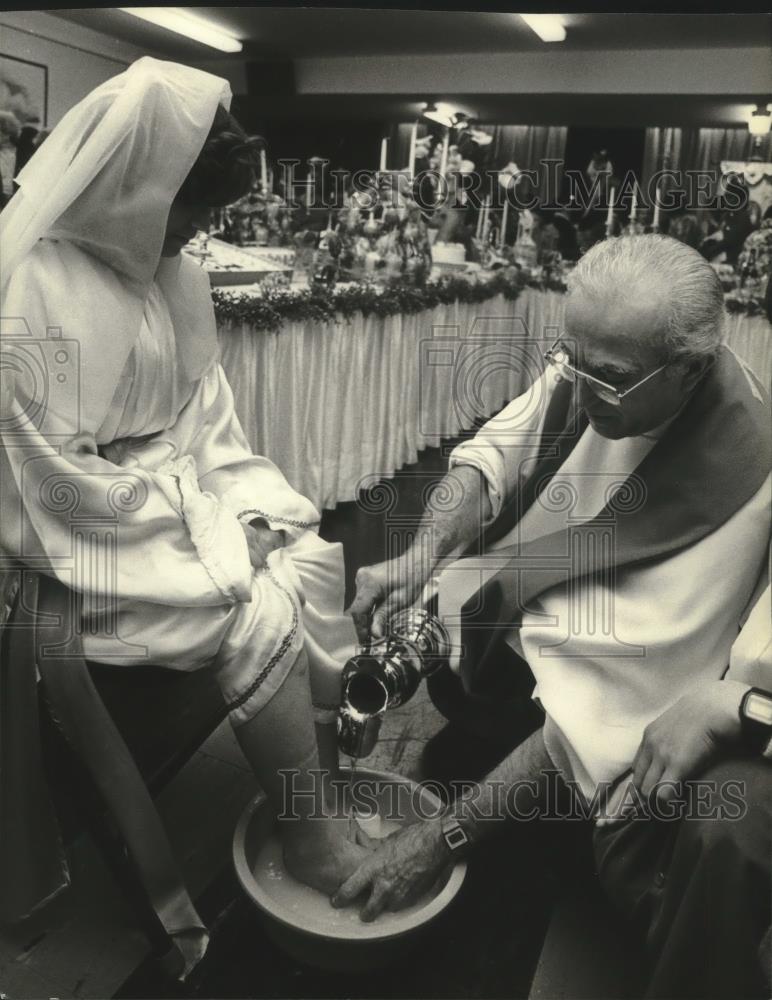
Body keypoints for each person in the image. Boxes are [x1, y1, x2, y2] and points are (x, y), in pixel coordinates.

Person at [340, 235, 771, 997]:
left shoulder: (748, 472)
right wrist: (422, 553)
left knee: (505, 876)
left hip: (604, 722)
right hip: (529, 636)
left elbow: (599, 709)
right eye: (570, 358)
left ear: (692, 369)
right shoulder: (597, 367)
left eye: (606, 379)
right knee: (459, 729)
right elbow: (490, 457)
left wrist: (439, 841)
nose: (579, 386)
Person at [0, 58, 368, 920]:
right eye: (190, 206)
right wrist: (208, 544)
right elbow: (43, 482)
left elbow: (208, 430)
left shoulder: (176, 274)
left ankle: (318, 787)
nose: (198, 230)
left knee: (308, 555)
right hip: (65, 553)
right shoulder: (30, 287)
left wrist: (251, 515)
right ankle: (310, 833)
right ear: (134, 186)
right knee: (253, 608)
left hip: (172, 511)